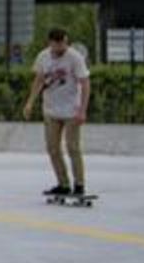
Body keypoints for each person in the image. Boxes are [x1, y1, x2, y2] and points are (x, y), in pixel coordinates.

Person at [23, 28, 92, 196]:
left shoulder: (75, 57)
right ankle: (63, 184)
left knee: (72, 147)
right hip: (51, 110)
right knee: (52, 148)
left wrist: (82, 110)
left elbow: (85, 83)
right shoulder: (43, 57)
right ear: (51, 43)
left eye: (64, 43)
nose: (62, 47)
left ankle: (79, 184)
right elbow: (39, 80)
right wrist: (30, 102)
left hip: (71, 111)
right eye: (58, 44)